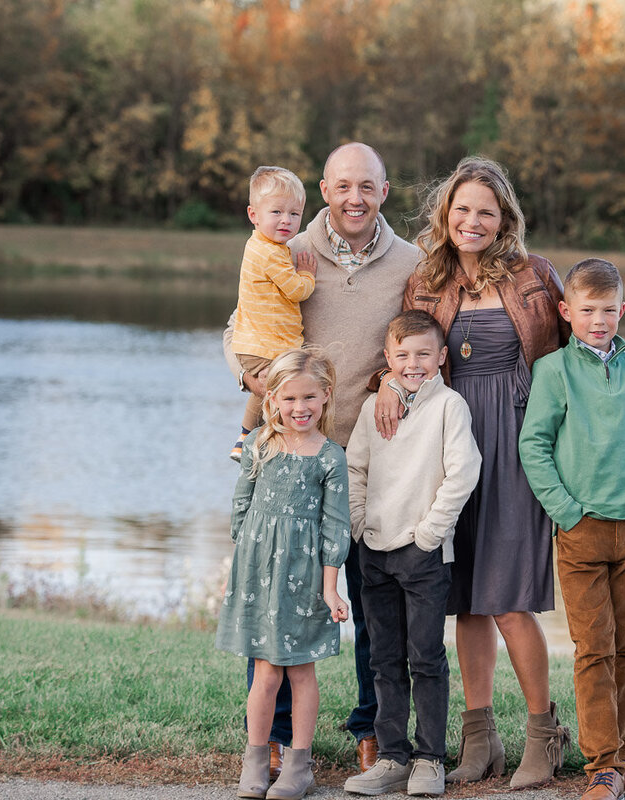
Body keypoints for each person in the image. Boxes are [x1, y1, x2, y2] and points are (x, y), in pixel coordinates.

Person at [224, 143, 421, 775]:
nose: (354, 198)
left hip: (370, 460)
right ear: (324, 188)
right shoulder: (288, 245)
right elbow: (239, 328)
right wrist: (252, 381)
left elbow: (420, 344)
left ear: (384, 191)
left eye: (367, 186)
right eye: (342, 186)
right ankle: (277, 738)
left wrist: (397, 382)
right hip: (291, 459)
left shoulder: (410, 263)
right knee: (281, 602)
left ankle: (370, 727)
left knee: (367, 601)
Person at [377, 156, 571, 789]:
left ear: (504, 219)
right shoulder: (425, 279)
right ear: (445, 213)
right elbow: (405, 353)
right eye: (462, 208)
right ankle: (479, 739)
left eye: (486, 210)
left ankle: (543, 736)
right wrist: (384, 381)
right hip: (451, 447)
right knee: (466, 603)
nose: (472, 220)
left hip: (516, 446)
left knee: (510, 599)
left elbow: (574, 355)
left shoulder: (535, 276)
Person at [518, 258, 625, 800]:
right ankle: (602, 767)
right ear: (566, 312)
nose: (598, 321)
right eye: (587, 310)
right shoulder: (554, 372)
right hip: (581, 531)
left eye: (608, 311)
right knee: (594, 648)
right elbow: (534, 446)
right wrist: (566, 511)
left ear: (621, 310)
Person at [342, 310, 481, 797]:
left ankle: (429, 758)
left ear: (442, 357)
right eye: (402, 355)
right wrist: (359, 524)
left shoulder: (449, 407)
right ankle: (392, 756)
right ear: (388, 359)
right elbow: (354, 468)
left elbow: (463, 473)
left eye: (424, 354)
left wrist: (429, 534)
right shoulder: (371, 409)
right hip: (374, 550)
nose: (413, 363)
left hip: (423, 555)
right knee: (384, 658)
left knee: (425, 657)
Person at [216, 347, 352, 800]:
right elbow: (240, 509)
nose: (300, 408)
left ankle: (299, 764)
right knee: (264, 670)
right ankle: (255, 759)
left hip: (305, 574)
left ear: (326, 396)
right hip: (257, 572)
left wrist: (330, 589)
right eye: (290, 399)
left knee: (300, 671)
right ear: (271, 398)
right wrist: (235, 573)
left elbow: (335, 526)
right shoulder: (257, 443)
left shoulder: (331, 457)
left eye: (309, 398)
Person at [229, 166, 318, 461]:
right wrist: (306, 274)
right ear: (254, 215)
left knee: (269, 394)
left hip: (257, 343)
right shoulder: (270, 253)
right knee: (275, 394)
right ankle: (251, 438)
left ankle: (246, 438)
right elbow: (296, 290)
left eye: (294, 214)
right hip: (266, 347)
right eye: (277, 212)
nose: (286, 220)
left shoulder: (263, 245)